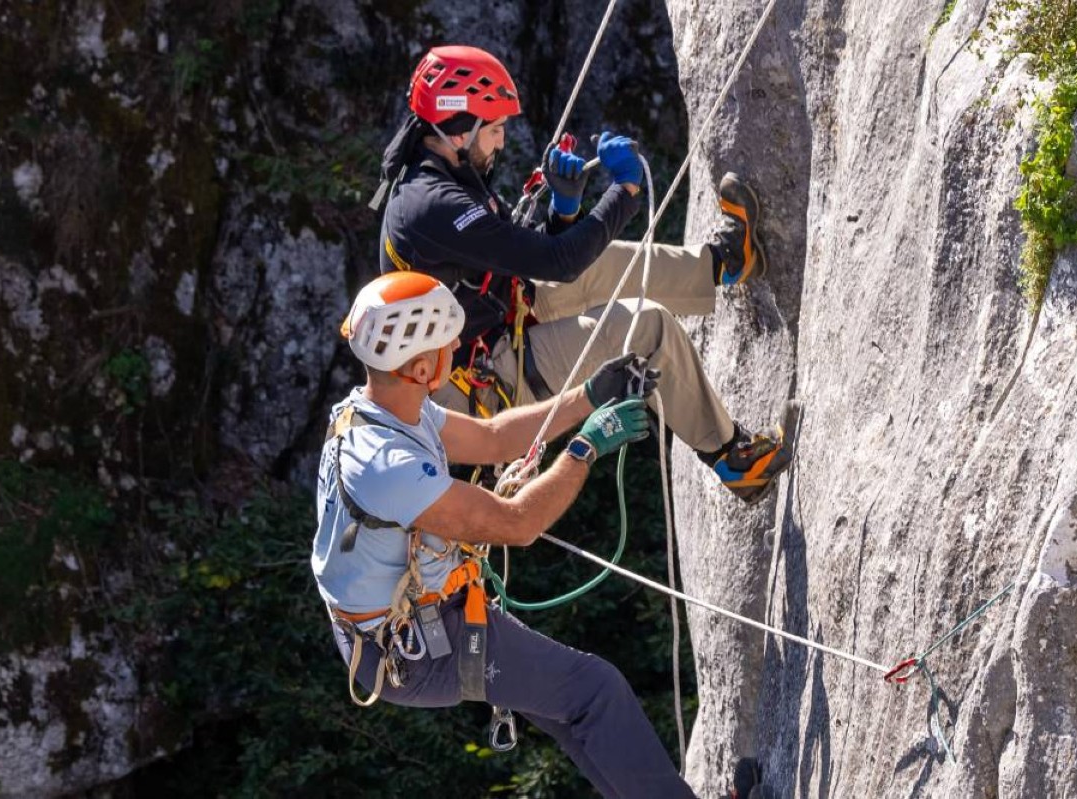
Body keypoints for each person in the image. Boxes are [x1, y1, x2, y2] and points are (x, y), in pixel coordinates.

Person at [314, 271, 697, 798]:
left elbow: (495, 439)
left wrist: (589, 395)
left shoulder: (381, 409)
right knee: (594, 692)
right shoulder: (387, 466)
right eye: (448, 344)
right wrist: (585, 448)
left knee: (574, 710)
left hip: (408, 626)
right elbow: (518, 524)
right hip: (416, 650)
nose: (457, 347)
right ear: (422, 367)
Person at [371, 44, 792, 504]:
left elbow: (535, 255)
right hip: (484, 382)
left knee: (601, 263)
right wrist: (625, 192)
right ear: (458, 133)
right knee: (645, 327)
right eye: (493, 130)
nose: (501, 142)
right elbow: (558, 262)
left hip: (497, 324)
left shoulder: (440, 176)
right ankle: (733, 459)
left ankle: (726, 262)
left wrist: (564, 212)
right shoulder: (432, 207)